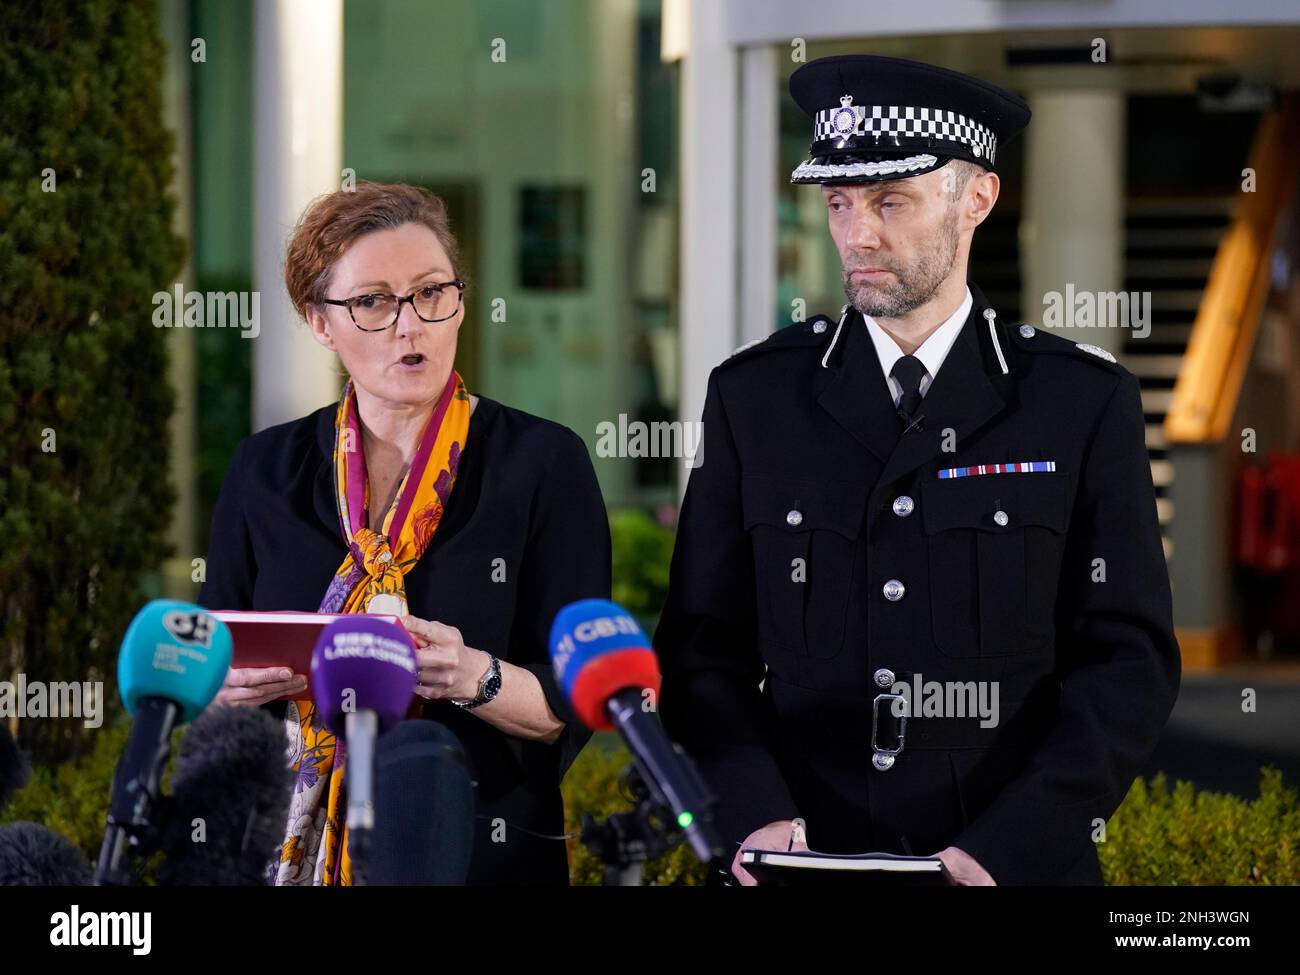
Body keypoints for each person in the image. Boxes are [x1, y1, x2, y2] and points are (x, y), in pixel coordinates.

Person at [654, 55, 1181, 886]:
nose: (857, 234)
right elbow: (700, 651)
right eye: (839, 202)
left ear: (978, 198)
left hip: (1008, 868)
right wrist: (756, 815)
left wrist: (1008, 848)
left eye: (890, 201)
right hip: (801, 861)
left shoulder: (1079, 402)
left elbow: (1128, 662)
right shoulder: (754, 399)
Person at [200, 182, 610, 885]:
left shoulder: (544, 462)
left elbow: (579, 700)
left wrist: (471, 674)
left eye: (431, 293)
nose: (409, 324)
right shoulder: (264, 469)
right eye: (373, 302)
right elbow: (211, 667)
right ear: (319, 322)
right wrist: (226, 687)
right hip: (277, 847)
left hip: (482, 849)